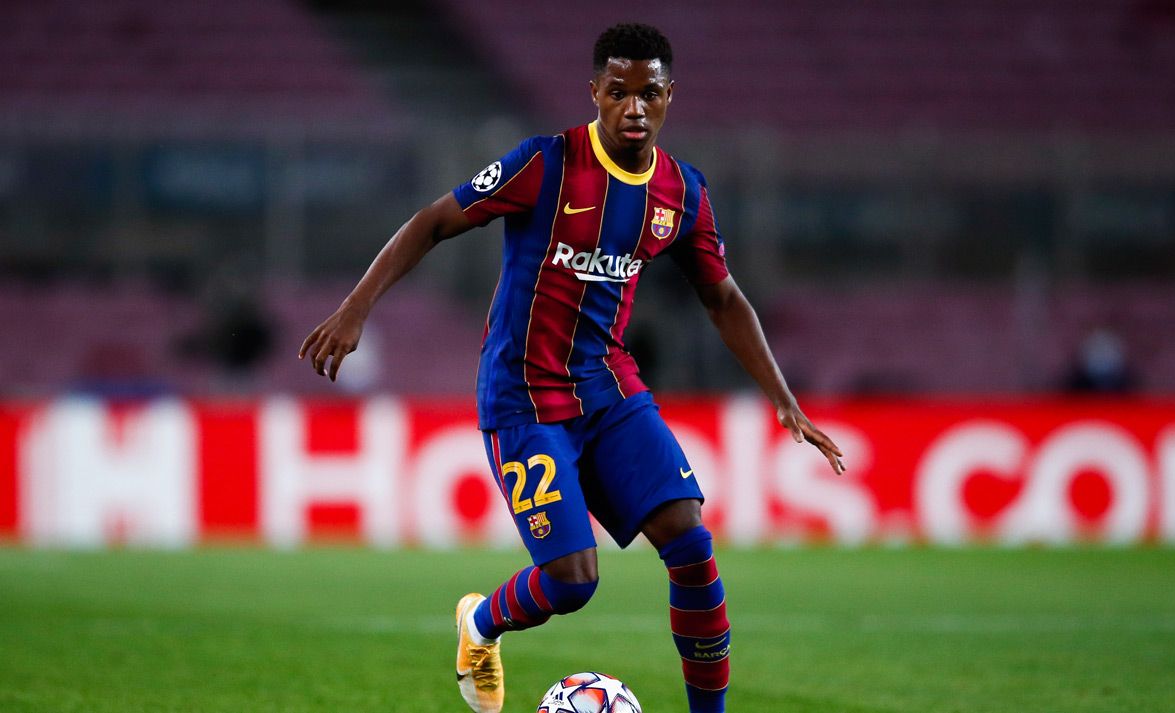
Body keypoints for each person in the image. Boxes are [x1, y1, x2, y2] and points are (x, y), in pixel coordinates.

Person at [299, 23, 845, 713]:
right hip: (523, 398)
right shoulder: (546, 165)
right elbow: (434, 220)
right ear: (594, 93)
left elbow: (724, 297)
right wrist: (355, 309)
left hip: (609, 390)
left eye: (649, 93)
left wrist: (784, 399)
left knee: (691, 540)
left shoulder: (682, 193)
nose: (634, 108)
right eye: (618, 92)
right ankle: (480, 623)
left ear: (670, 96)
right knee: (572, 580)